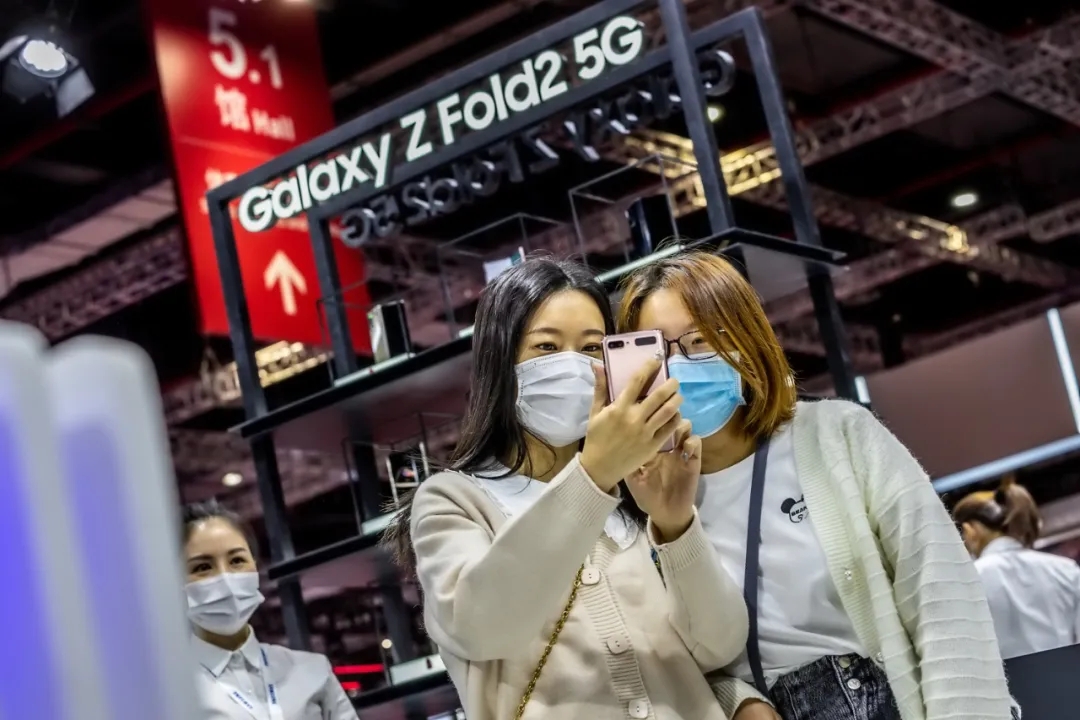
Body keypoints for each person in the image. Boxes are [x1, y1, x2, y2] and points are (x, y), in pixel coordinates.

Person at [618, 250, 1015, 720]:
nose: (680, 364)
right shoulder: (641, 497)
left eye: (701, 340)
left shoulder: (837, 436)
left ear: (745, 339)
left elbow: (941, 592)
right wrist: (735, 698)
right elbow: (673, 661)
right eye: (658, 352)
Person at [383, 257, 764, 720]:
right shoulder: (454, 501)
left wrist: (675, 523)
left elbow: (718, 646)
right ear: (500, 362)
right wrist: (593, 476)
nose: (572, 364)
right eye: (546, 346)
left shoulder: (639, 488)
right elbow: (480, 627)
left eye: (591, 348)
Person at [183, 500, 359, 720]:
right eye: (203, 567)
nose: (225, 578)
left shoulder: (313, 670)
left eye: (237, 560)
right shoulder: (170, 693)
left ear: (255, 566)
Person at [955, 477, 1080, 659]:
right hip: (1066, 675)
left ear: (970, 531)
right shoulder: (1067, 571)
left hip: (1005, 678)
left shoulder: (966, 580)